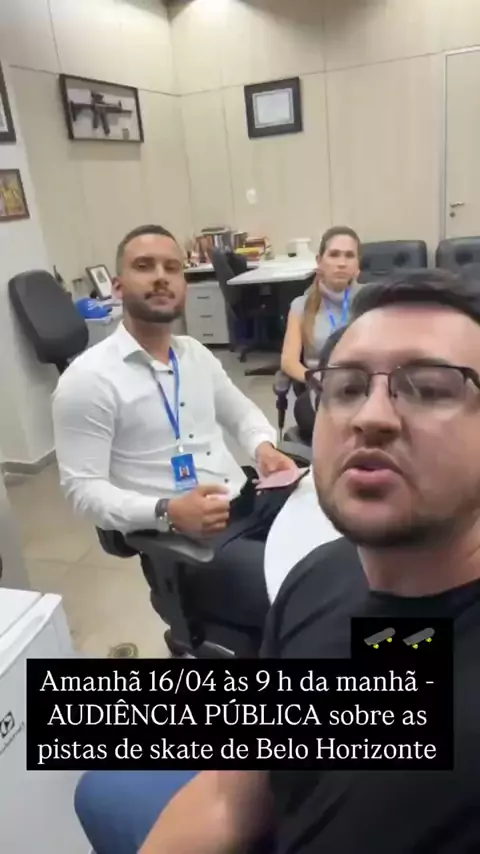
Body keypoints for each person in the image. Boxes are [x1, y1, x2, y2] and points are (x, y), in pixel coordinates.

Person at [75, 268, 480, 853]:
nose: (371, 416)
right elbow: (231, 793)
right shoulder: (321, 574)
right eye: (347, 387)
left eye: (430, 388)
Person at [52, 224, 297, 643]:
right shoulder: (88, 380)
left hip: (248, 501)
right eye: (144, 266)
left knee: (348, 545)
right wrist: (167, 511)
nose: (161, 277)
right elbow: (82, 490)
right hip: (191, 546)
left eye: (171, 267)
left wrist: (263, 447)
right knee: (311, 596)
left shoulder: (195, 354)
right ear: (117, 286)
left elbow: (240, 412)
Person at [280, 225, 361, 440]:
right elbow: (288, 361)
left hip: (362, 387)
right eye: (334, 254)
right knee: (313, 414)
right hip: (320, 387)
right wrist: (315, 379)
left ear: (358, 266)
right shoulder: (301, 306)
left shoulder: (370, 302)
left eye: (349, 256)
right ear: (319, 261)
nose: (342, 263)